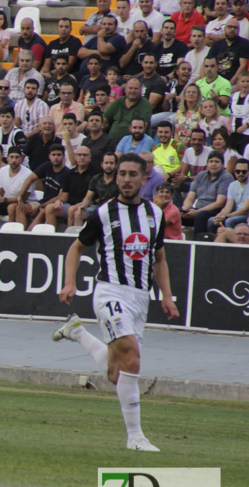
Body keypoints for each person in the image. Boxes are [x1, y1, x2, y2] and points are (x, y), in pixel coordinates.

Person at [54, 153, 179, 452]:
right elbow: (76, 248)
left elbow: (159, 258)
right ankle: (135, 436)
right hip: (110, 291)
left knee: (116, 372)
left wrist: (166, 295)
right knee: (132, 357)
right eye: (121, 173)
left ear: (143, 178)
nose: (125, 179)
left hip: (139, 298)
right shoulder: (103, 213)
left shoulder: (155, 215)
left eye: (131, 174)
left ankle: (77, 332)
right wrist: (70, 282)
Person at [182, 152, 235, 233]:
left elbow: (219, 203)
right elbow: (190, 197)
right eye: (211, 161)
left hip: (215, 211)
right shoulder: (201, 175)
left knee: (201, 215)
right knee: (176, 213)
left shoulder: (226, 177)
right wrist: (185, 210)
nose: (213, 164)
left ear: (222, 165)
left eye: (217, 162)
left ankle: (199, 243)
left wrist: (197, 212)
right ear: (207, 164)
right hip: (198, 209)